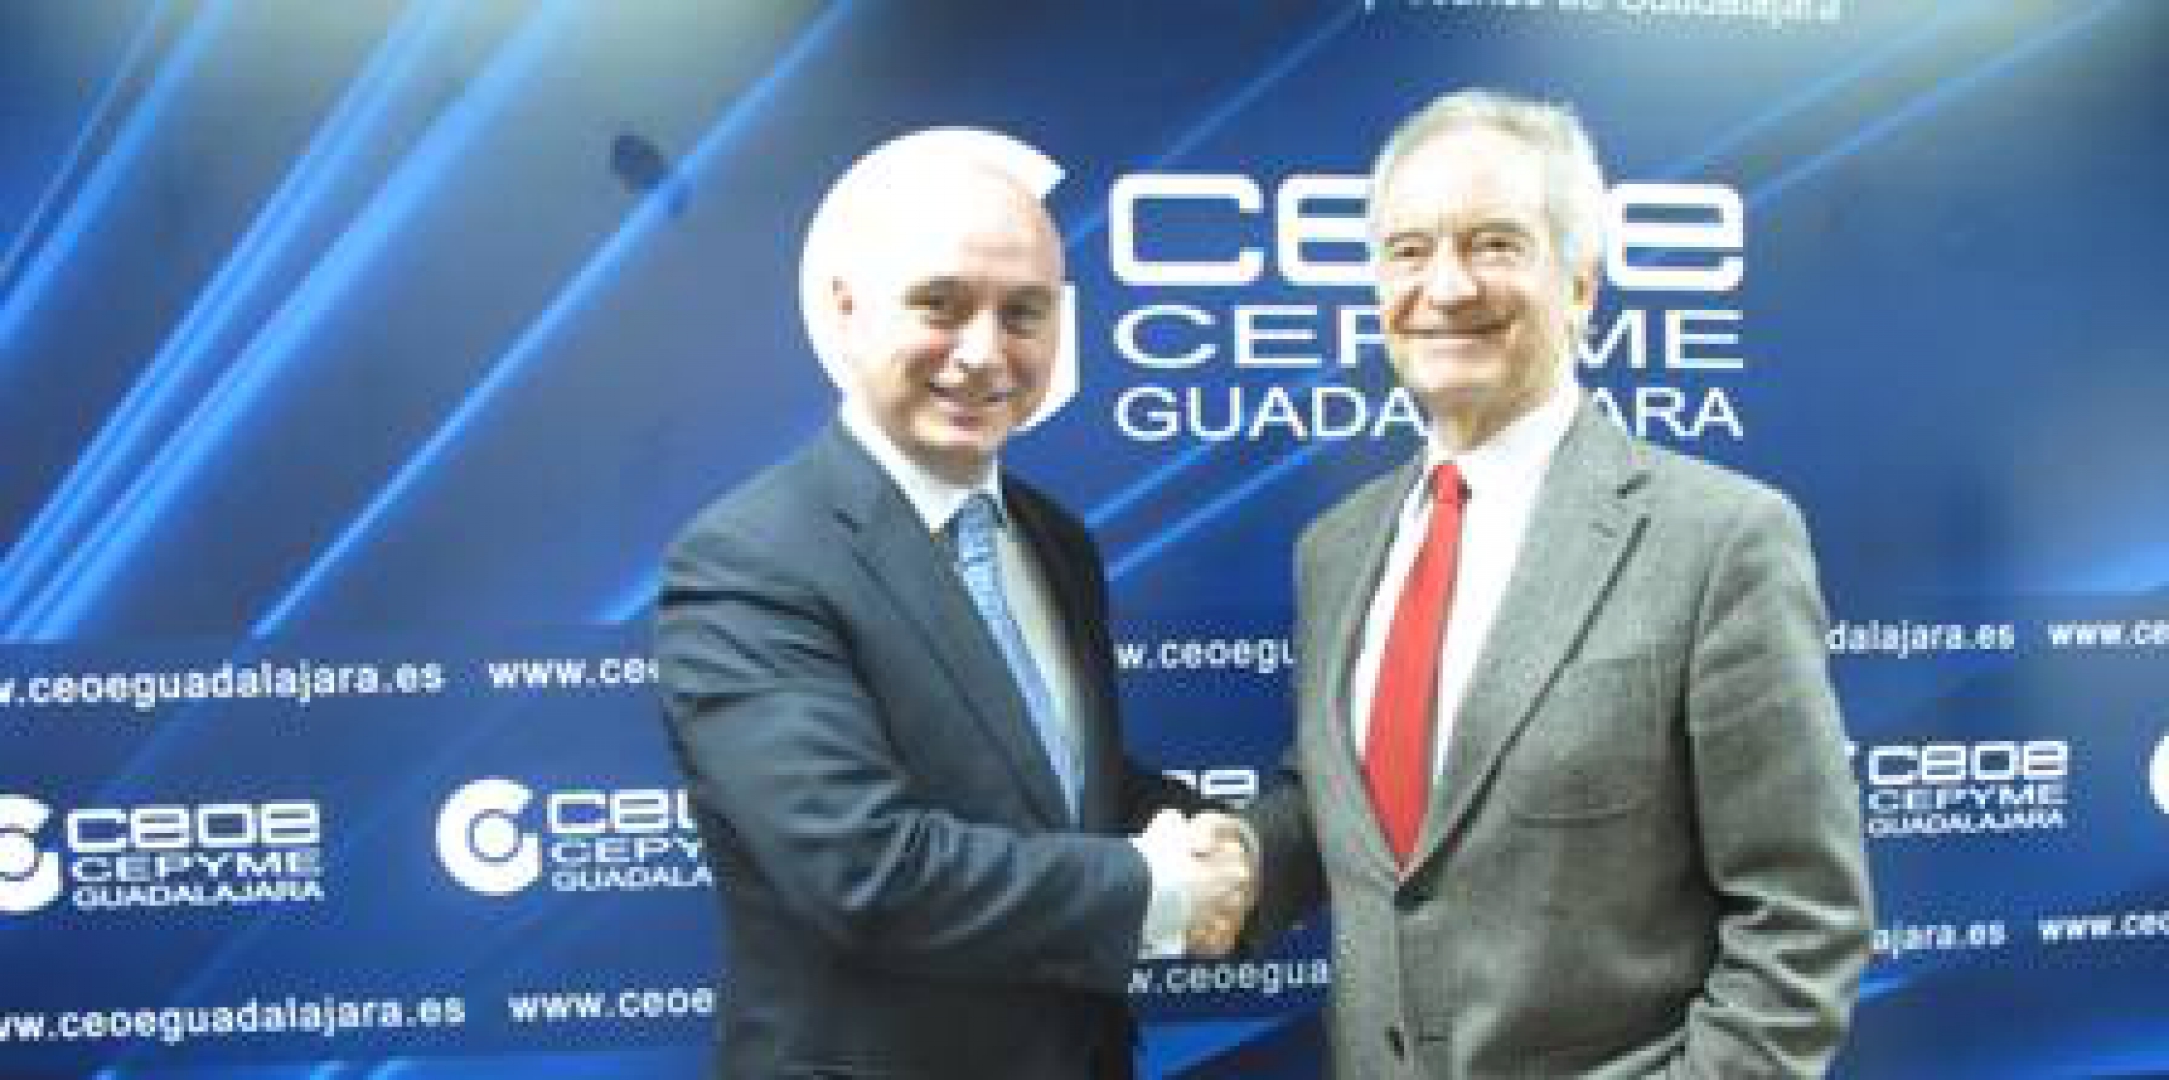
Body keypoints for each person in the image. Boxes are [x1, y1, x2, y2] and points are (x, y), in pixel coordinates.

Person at [1224, 89, 1874, 1077]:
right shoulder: (1335, 548)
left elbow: (1803, 924)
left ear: (1578, 286)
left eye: (1493, 244)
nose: (1445, 286)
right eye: (1408, 250)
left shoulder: (1721, 540)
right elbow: (1352, 810)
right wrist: (1236, 862)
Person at [653, 132, 1249, 1079]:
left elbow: (1051, 781)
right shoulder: (750, 559)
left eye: (1024, 313)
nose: (983, 353)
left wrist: (1232, 841)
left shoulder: (1053, 538)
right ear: (845, 309)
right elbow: (865, 872)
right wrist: (1156, 888)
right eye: (940, 304)